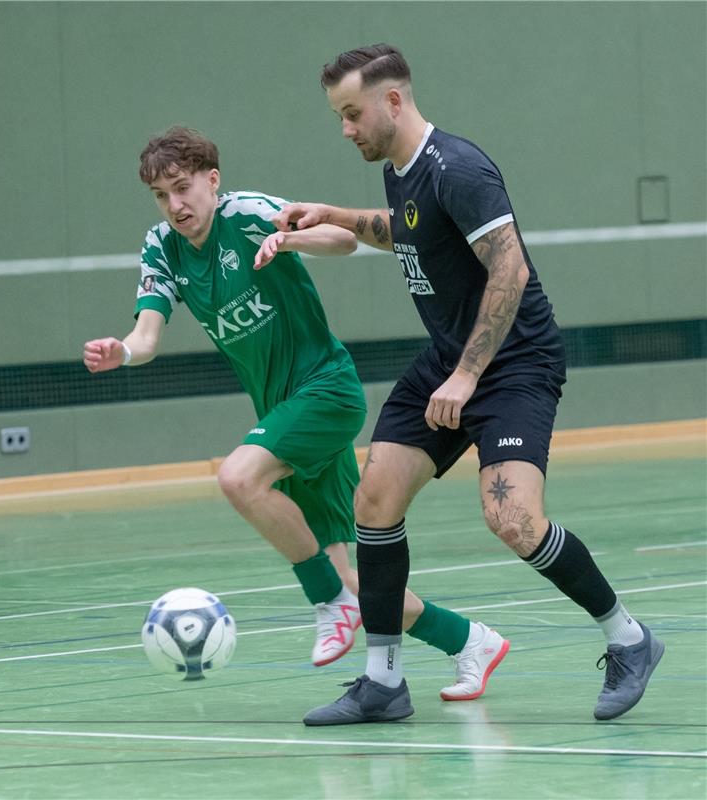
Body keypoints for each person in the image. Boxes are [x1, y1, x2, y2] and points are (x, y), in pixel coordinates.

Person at [266, 44, 665, 725]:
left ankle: (630, 640)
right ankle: (383, 682)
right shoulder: (402, 170)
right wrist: (334, 214)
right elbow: (411, 232)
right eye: (339, 116)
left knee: (512, 518)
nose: (346, 130)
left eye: (353, 113)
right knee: (375, 497)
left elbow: (509, 269)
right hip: (451, 356)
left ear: (393, 100)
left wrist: (468, 373)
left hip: (513, 362)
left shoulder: (460, 167)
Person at [83, 125, 510, 699]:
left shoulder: (251, 212)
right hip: (282, 409)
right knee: (353, 578)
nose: (175, 205)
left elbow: (341, 239)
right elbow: (148, 333)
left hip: (325, 392)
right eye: (162, 195)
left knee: (238, 477)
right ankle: (471, 643)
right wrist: (125, 351)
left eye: (183, 188)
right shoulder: (161, 246)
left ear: (212, 181)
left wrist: (288, 242)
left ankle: (325, 601)